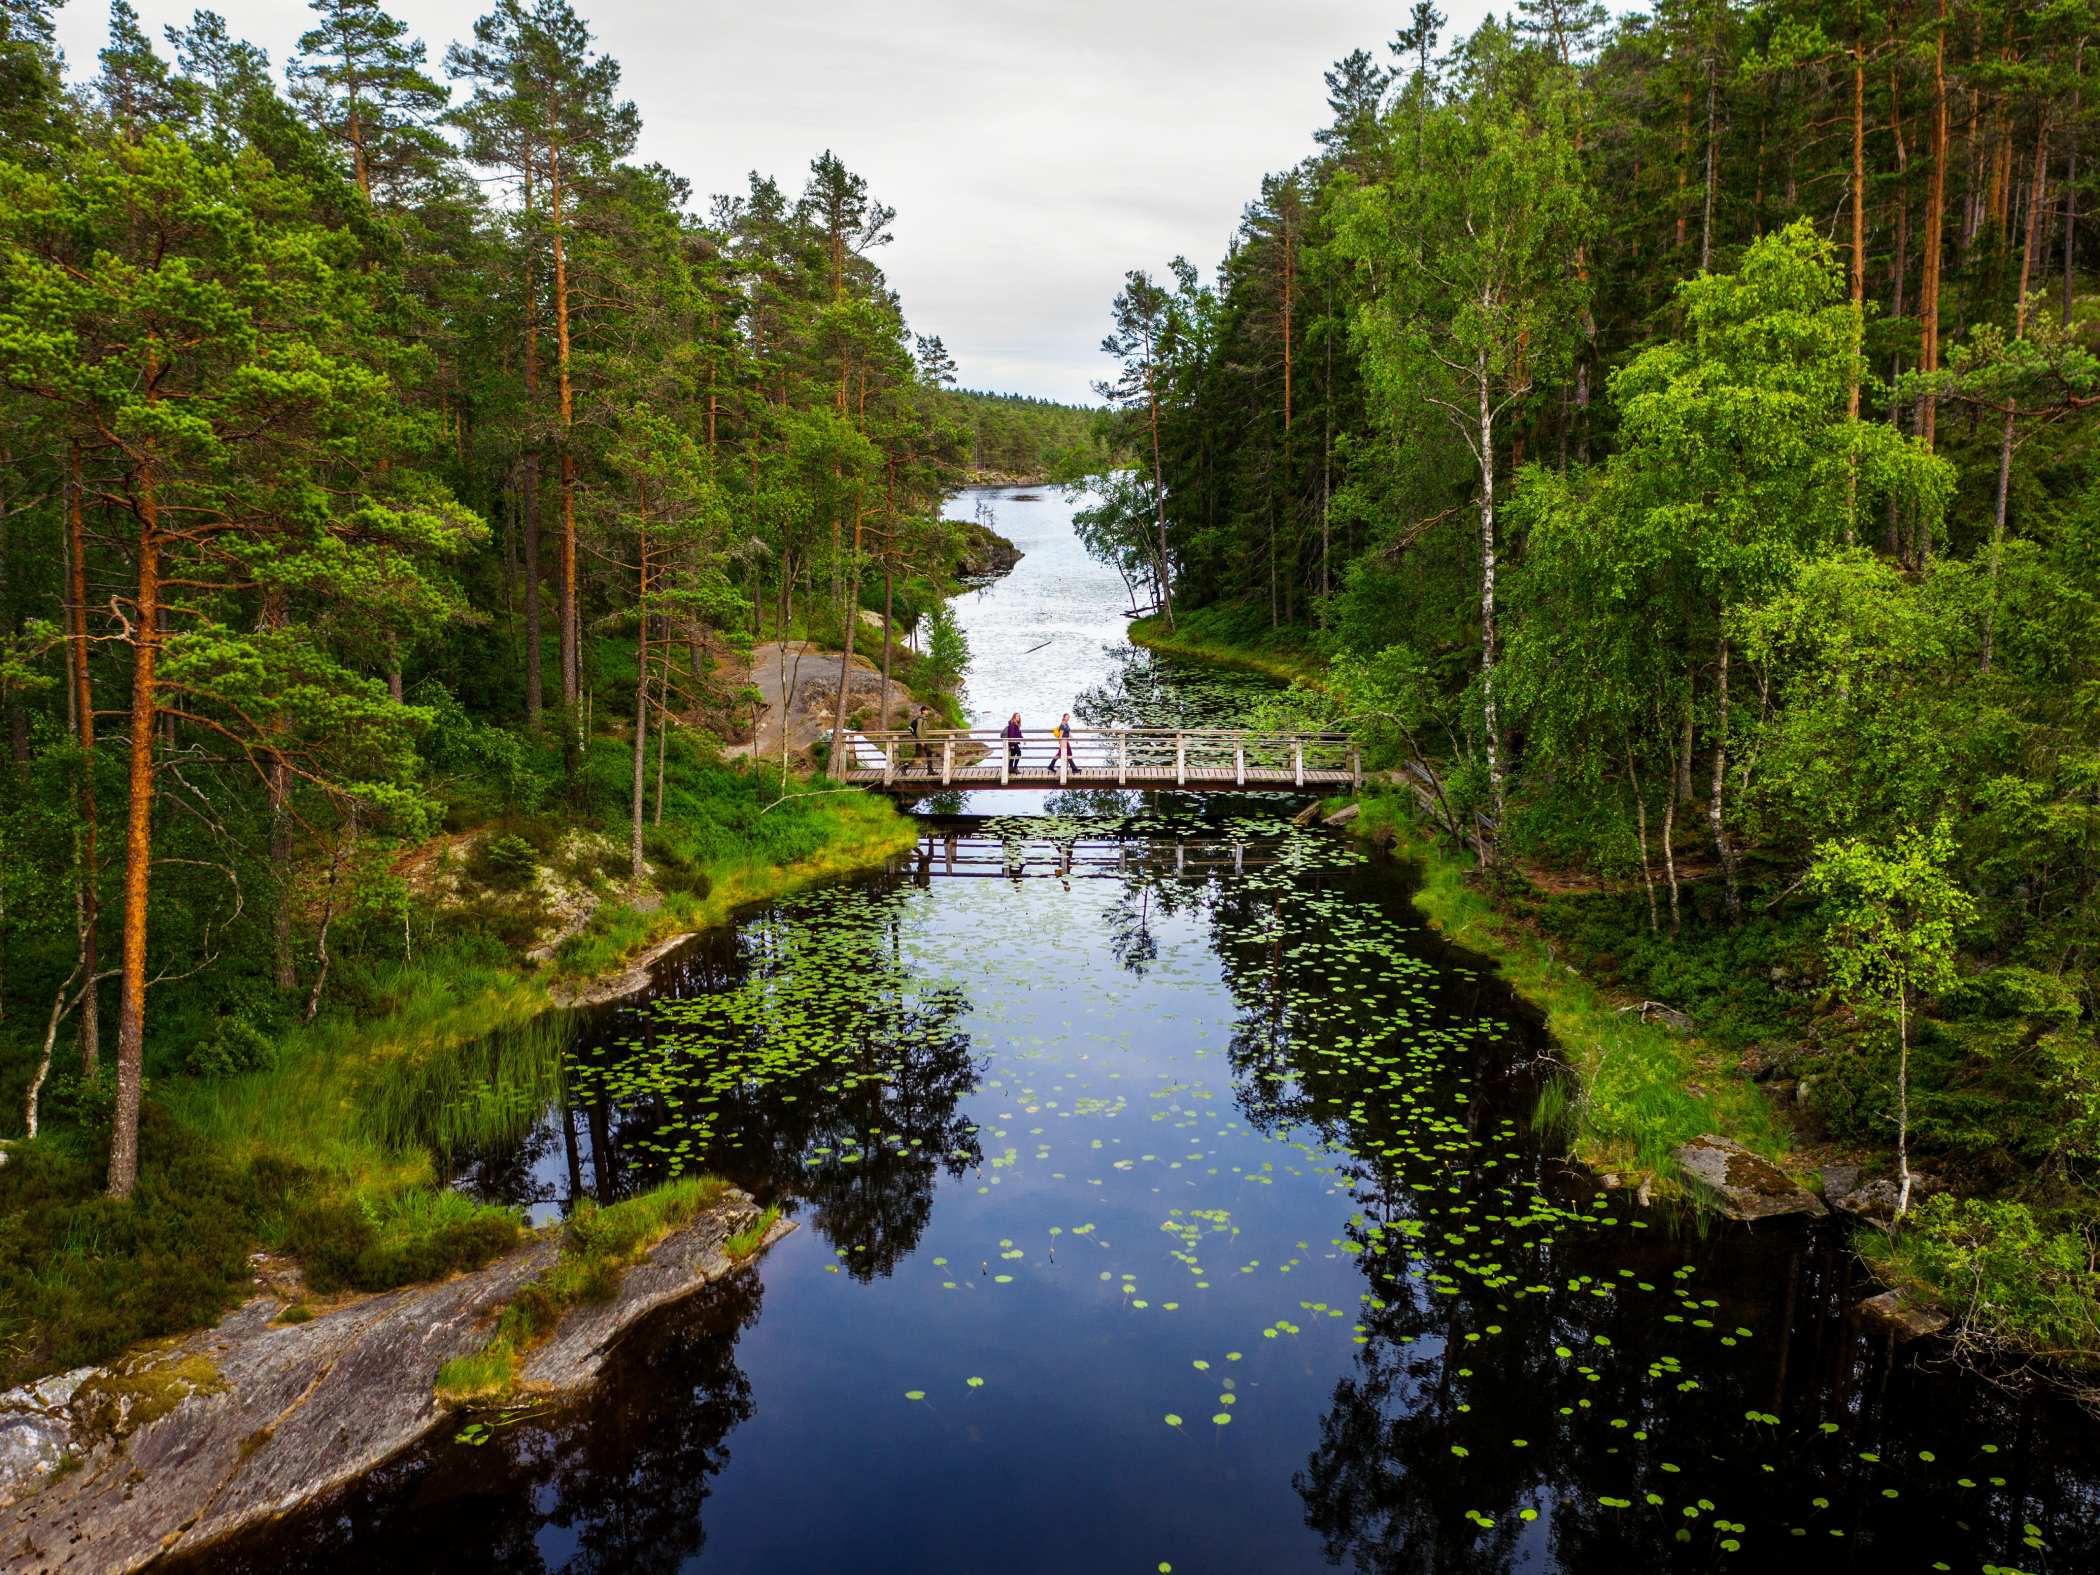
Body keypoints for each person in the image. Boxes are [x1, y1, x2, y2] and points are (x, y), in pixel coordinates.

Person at [908, 704, 931, 774]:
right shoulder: (921, 719)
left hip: (922, 740)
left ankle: (930, 771)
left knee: (927, 753)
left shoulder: (924, 719)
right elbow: (918, 731)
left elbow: (925, 729)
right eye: (927, 710)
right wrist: (921, 741)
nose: (928, 712)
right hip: (921, 740)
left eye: (928, 710)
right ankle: (904, 767)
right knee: (920, 754)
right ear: (923, 711)